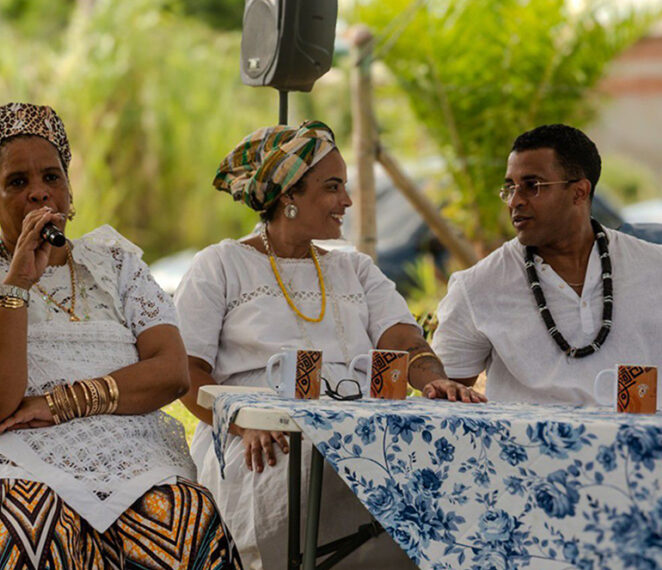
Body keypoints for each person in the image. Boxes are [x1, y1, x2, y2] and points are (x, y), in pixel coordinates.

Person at [0, 102, 241, 569]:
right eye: (17, 183)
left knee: (187, 516)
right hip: (3, 460)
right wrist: (18, 283)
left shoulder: (118, 266)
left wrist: (60, 403)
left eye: (52, 177)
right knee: (26, 524)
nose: (40, 195)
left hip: (128, 458)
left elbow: (170, 373)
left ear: (69, 187)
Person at [173, 120, 484, 569]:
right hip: (266, 441)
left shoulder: (354, 268)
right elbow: (187, 374)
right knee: (310, 475)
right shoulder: (221, 265)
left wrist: (436, 381)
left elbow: (402, 340)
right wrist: (242, 421)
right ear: (289, 196)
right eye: (333, 187)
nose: (348, 201)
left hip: (358, 433)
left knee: (435, 475)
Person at [432, 123, 662, 405]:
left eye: (532, 186)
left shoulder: (654, 267)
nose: (515, 201)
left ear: (579, 192)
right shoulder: (477, 286)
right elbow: (444, 400)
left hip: (642, 447)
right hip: (522, 448)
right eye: (510, 188)